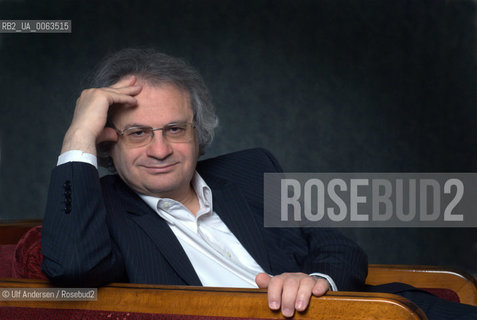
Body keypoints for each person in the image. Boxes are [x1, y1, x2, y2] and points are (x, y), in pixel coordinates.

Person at [41, 48, 477, 319]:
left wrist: (318, 279)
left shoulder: (251, 170)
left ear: (198, 132)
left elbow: (339, 248)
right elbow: (73, 267)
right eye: (138, 133)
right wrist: (77, 135)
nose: (160, 150)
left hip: (370, 312)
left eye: (175, 129)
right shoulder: (97, 209)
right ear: (107, 142)